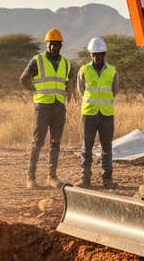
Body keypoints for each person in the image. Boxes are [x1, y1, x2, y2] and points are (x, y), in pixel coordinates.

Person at [20, 28, 72, 188]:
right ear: (46, 45)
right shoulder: (37, 60)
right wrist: (33, 91)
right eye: (51, 44)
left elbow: (68, 81)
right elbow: (23, 79)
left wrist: (66, 91)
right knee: (37, 142)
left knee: (55, 143)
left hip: (58, 107)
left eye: (57, 44)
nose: (54, 47)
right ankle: (31, 178)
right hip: (42, 107)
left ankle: (52, 176)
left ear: (61, 46)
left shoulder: (66, 63)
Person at [77, 37, 119, 188]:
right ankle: (85, 179)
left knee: (107, 148)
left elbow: (115, 91)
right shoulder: (84, 70)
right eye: (94, 54)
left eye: (99, 54)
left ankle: (107, 180)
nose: (97, 57)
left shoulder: (112, 71)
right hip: (89, 114)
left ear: (104, 54)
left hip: (106, 115)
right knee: (86, 147)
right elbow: (81, 90)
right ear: (90, 55)